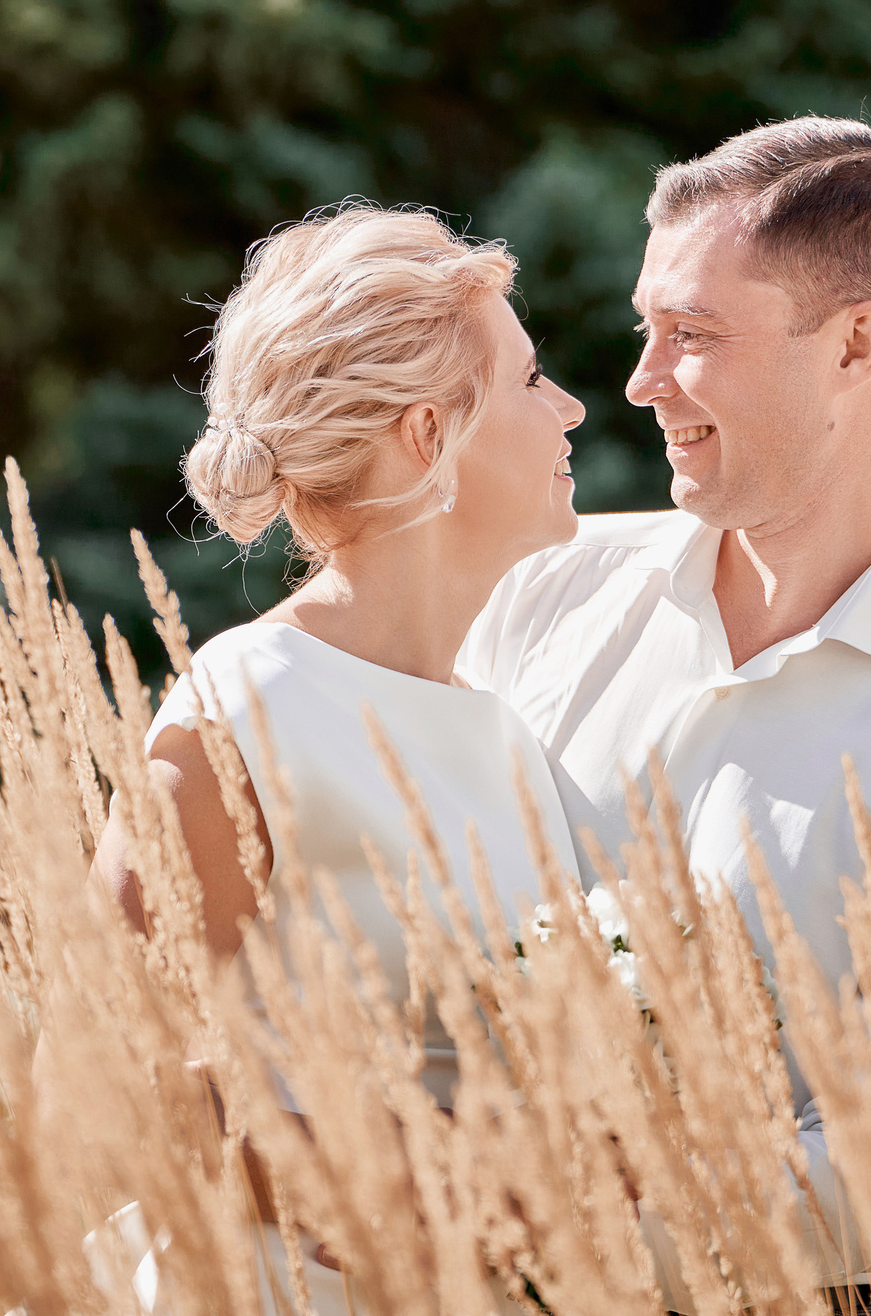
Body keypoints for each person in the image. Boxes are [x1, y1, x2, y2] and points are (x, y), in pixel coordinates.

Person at [458, 117, 871, 1300]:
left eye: (692, 335)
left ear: (858, 344)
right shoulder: (535, 591)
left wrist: (566, 1242)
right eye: (644, 329)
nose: (639, 379)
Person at [85, 202, 587, 1314]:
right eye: (529, 379)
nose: (571, 408)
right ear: (427, 433)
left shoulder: (504, 733)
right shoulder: (244, 710)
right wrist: (438, 1186)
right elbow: (110, 1084)